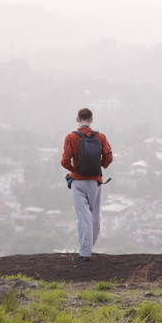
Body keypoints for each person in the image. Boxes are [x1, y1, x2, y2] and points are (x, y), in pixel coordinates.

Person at [60, 108, 113, 262]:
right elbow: (108, 157)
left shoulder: (71, 137)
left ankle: (85, 252)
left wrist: (75, 170)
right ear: (91, 119)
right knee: (94, 215)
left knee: (84, 217)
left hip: (78, 181)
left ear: (77, 119)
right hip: (95, 181)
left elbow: (64, 161)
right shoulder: (101, 137)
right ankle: (90, 245)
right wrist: (99, 166)